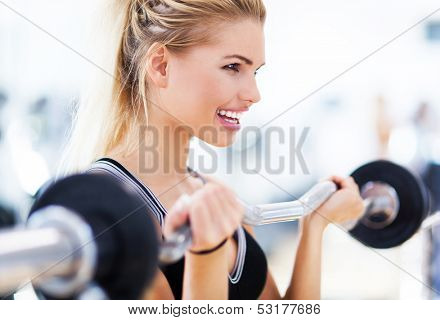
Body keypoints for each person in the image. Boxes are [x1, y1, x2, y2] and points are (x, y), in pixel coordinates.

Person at [58, 0, 364, 299]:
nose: (254, 94)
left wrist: (313, 227)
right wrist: (207, 253)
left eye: (254, 72)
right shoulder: (110, 210)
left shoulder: (216, 193)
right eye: (232, 67)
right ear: (161, 66)